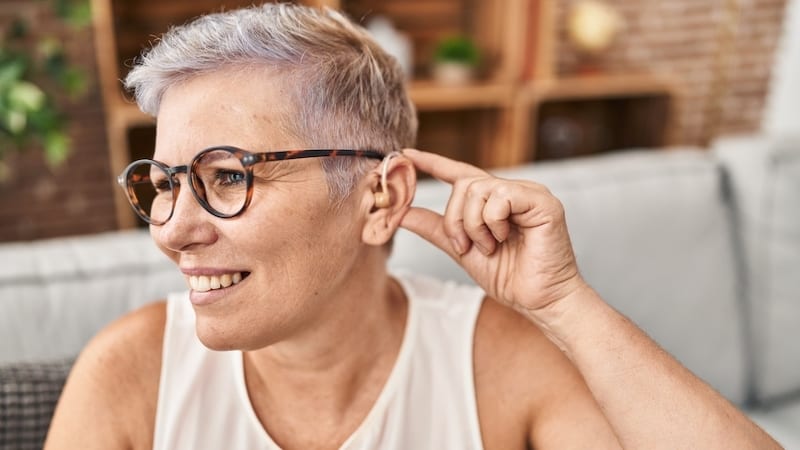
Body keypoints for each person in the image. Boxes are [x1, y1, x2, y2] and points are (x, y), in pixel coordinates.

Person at [45, 3, 780, 449]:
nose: (171, 230)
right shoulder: (129, 375)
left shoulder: (497, 366)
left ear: (379, 197)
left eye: (228, 176)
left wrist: (565, 305)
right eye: (166, 183)